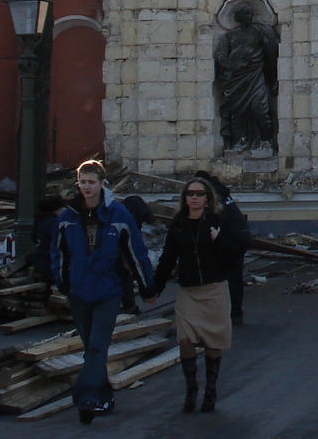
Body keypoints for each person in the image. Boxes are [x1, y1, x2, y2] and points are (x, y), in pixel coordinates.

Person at [50, 160, 153, 425]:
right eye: (82, 182)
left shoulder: (118, 214)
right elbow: (58, 252)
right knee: (90, 348)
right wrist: (62, 282)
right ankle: (104, 395)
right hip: (79, 291)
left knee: (97, 346)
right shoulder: (67, 217)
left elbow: (135, 252)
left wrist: (146, 286)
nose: (86, 187)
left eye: (91, 182)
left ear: (102, 184)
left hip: (108, 290)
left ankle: (87, 399)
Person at [146, 177, 242, 413]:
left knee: (212, 341)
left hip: (214, 288)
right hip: (189, 290)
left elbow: (235, 253)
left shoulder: (219, 222)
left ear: (207, 198)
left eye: (199, 194)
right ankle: (191, 388)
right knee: (185, 339)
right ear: (185, 198)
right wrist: (154, 289)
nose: (195, 198)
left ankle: (211, 390)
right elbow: (168, 258)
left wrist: (218, 239)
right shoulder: (179, 224)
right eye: (190, 194)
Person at [213, 5, 280, 151]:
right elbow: (220, 56)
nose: (249, 16)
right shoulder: (229, 36)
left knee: (260, 109)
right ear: (237, 17)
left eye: (250, 13)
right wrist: (231, 64)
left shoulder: (261, 31)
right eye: (245, 13)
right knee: (237, 113)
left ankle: (265, 140)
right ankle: (239, 142)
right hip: (236, 80)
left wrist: (273, 78)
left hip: (256, 76)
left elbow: (271, 55)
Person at [194, 170, 253, 324]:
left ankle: (227, 314)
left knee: (223, 278)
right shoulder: (221, 192)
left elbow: (212, 222)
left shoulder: (213, 197)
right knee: (234, 278)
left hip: (231, 240)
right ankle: (235, 313)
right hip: (240, 237)